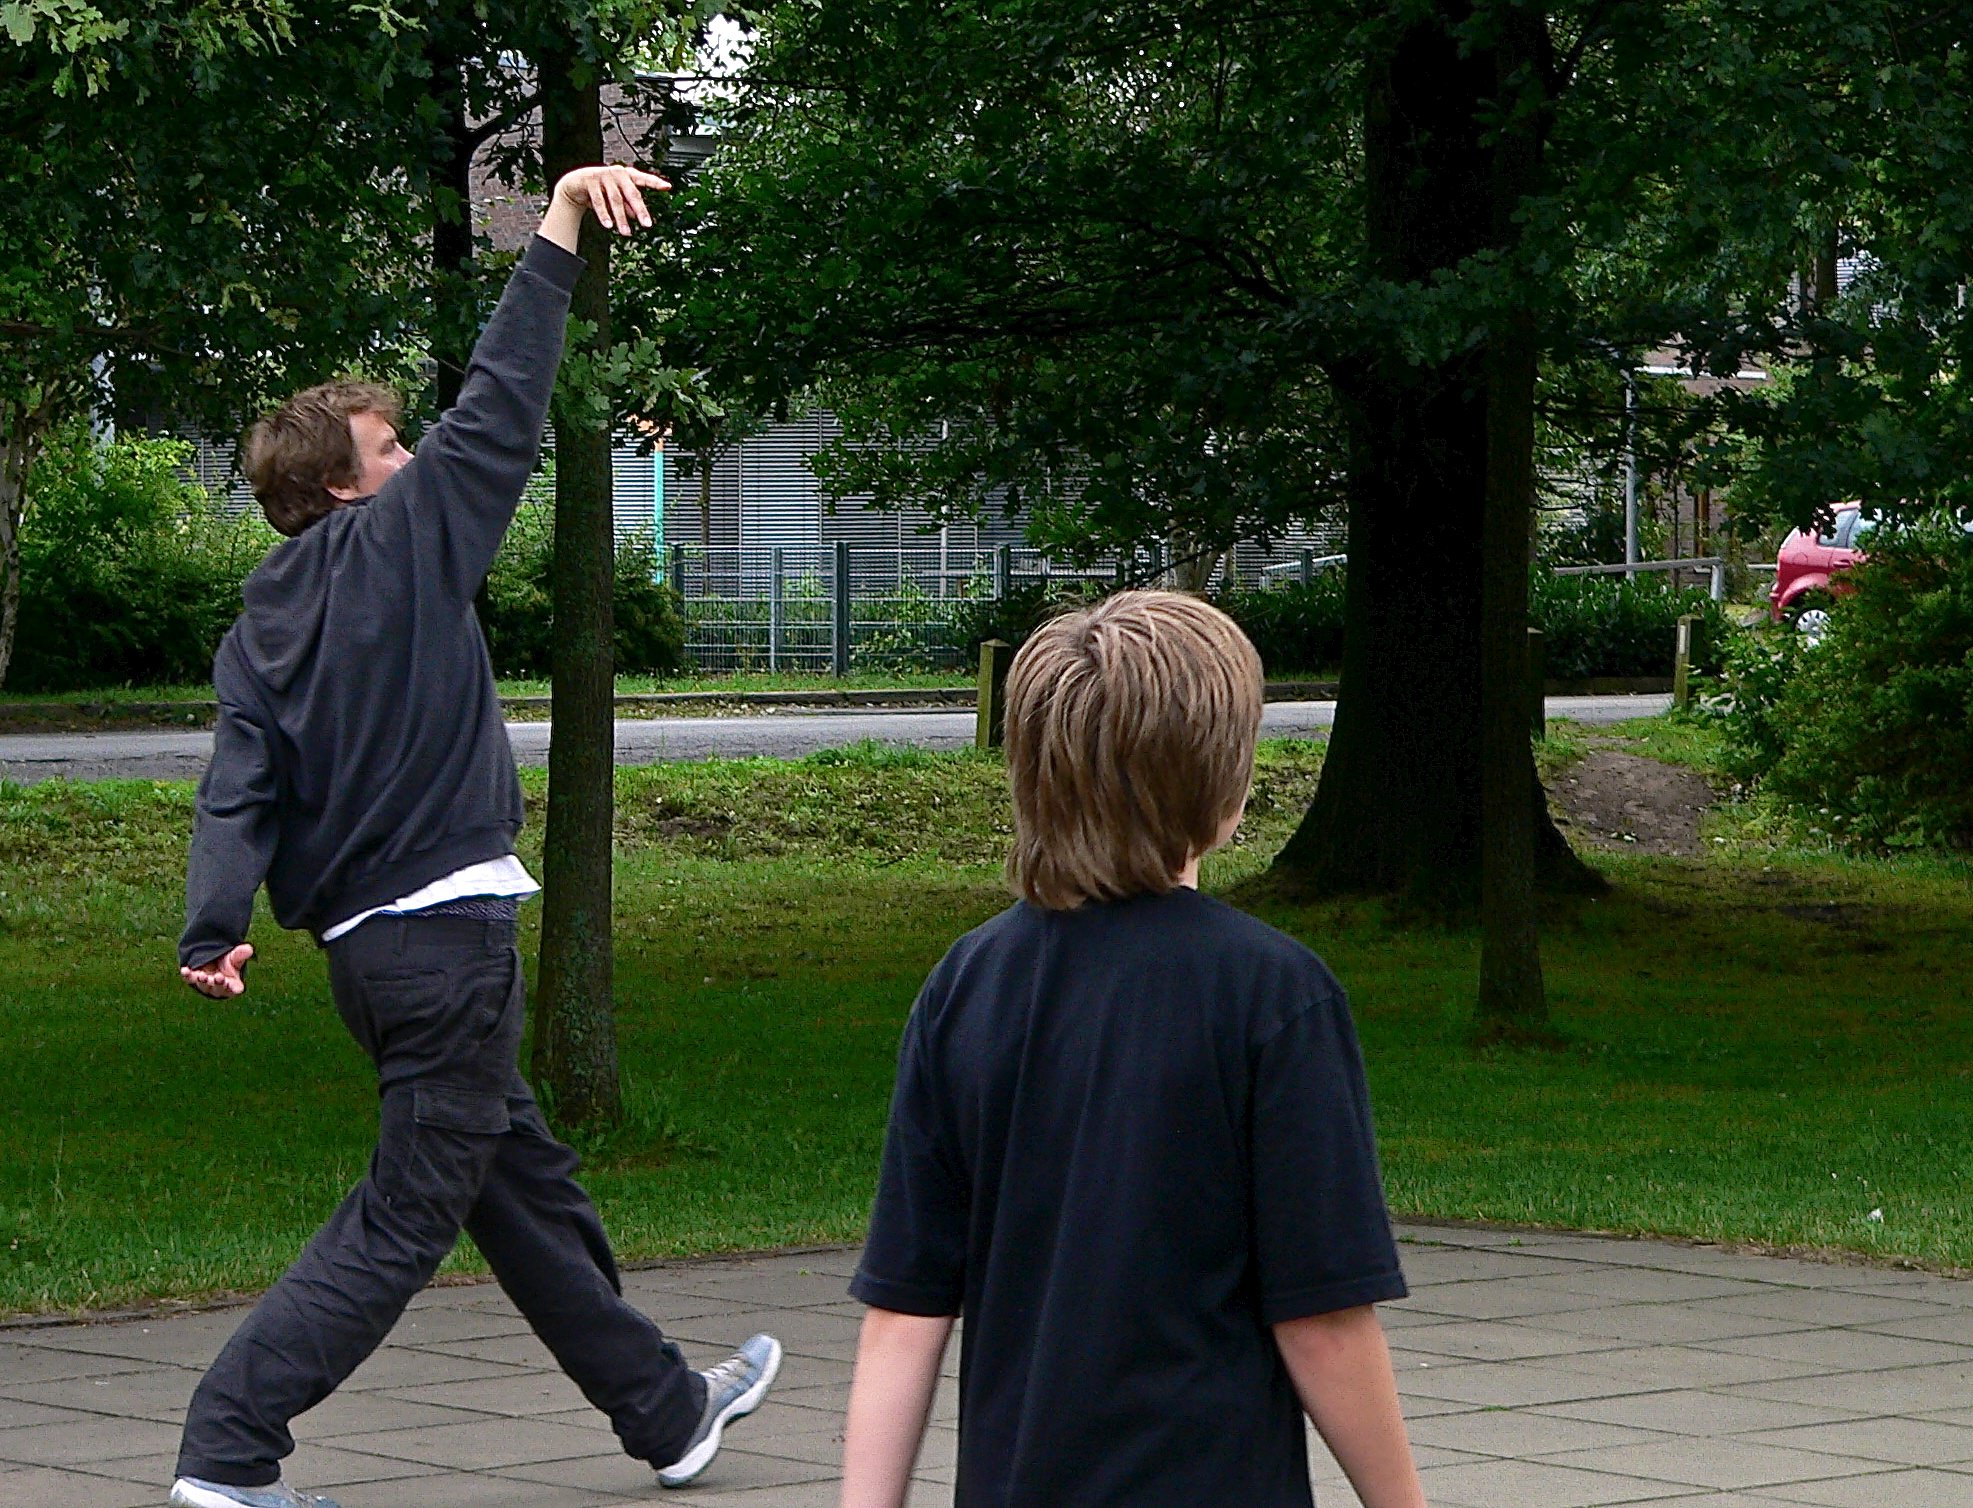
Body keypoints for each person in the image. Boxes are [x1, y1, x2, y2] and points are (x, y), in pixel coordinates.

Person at [170, 164, 780, 1508]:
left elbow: (237, 791)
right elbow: (503, 396)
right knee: (406, 1215)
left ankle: (668, 1411)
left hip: (375, 965)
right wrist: (557, 225)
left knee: (521, 1186)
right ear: (343, 487)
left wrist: (214, 924)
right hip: (444, 949)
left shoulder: (258, 627)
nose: (415, 457)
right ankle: (228, 1448)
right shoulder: (407, 540)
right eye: (392, 446)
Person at [838, 590, 1429, 1508]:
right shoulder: (1275, 995)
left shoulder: (965, 986)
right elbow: (1322, 1322)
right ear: (1222, 781)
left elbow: (904, 1314)